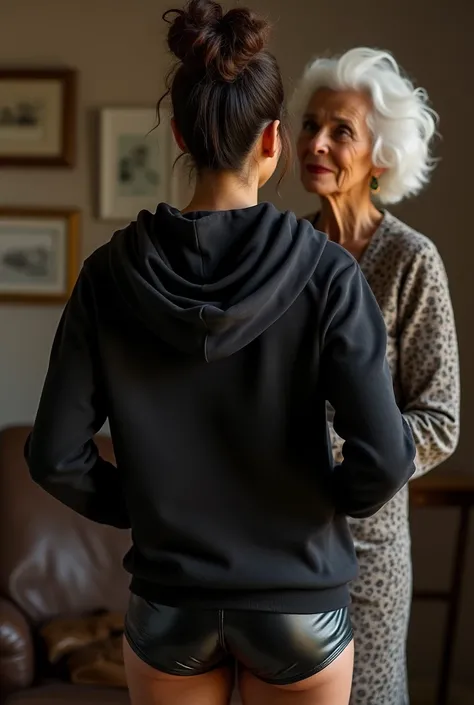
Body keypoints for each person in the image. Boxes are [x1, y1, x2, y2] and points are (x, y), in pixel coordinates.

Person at [25, 6, 416, 705]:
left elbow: (54, 452)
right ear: (272, 141)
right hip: (299, 600)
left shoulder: (109, 275)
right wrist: (314, 505)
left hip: (171, 602)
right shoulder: (328, 273)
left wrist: (145, 507)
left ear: (179, 135)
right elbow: (385, 457)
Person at [291, 47, 460, 705]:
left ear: (379, 157)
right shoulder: (287, 253)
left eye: (341, 131)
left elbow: (439, 420)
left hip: (369, 544)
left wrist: (342, 454)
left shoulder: (412, 261)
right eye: (310, 125)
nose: (318, 142)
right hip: (280, 535)